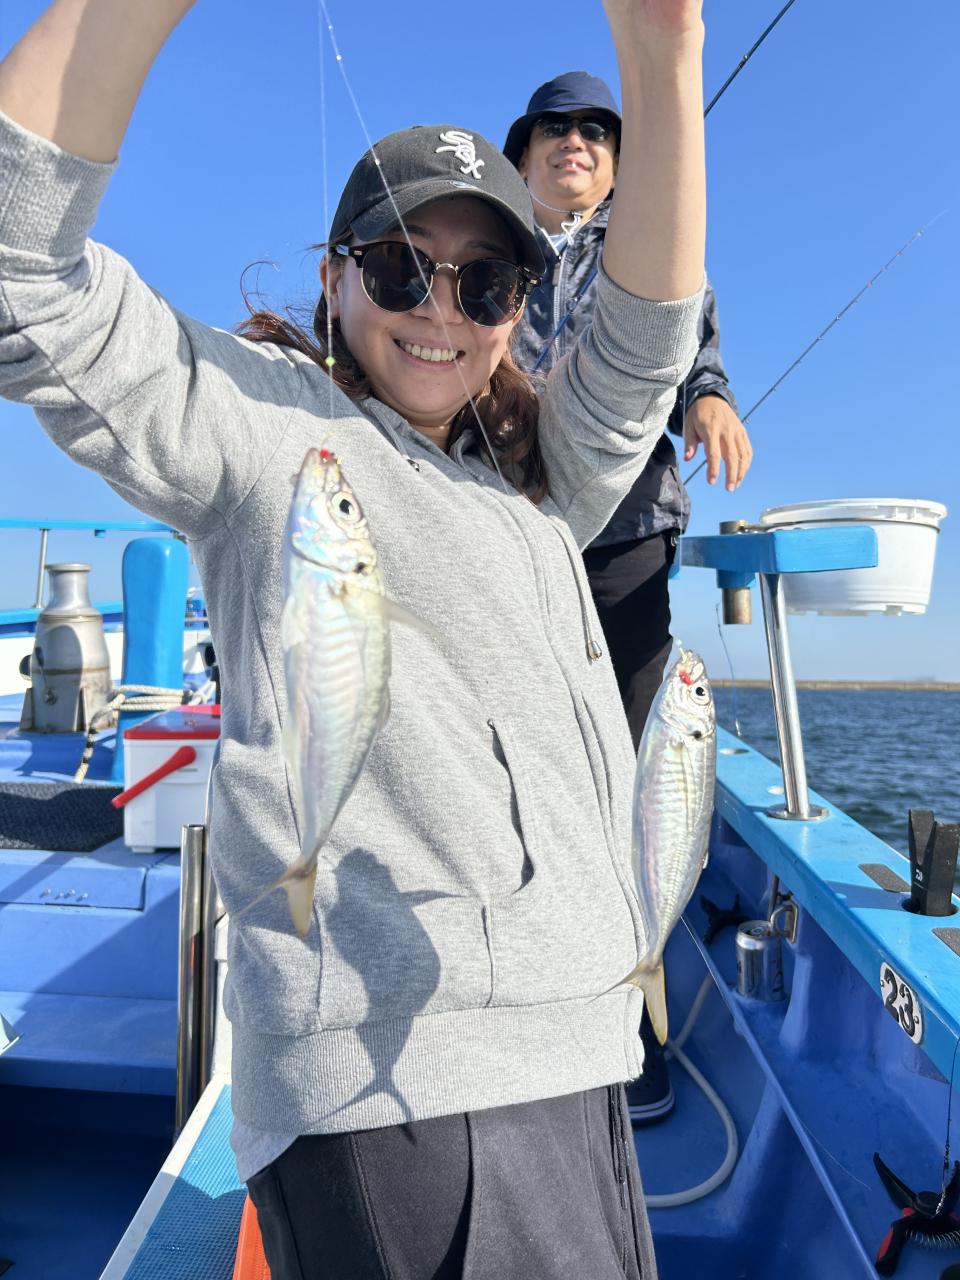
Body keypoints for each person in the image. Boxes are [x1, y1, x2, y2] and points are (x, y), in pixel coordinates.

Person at [0, 2, 706, 1276]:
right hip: (408, 1090)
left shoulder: (538, 478)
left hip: (577, 1046)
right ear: (333, 278)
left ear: (516, 309)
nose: (440, 309)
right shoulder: (271, 435)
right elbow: (20, 276)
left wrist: (666, 53)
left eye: (484, 282)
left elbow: (646, 342)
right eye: (397, 266)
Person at [505, 69, 751, 1125]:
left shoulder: (650, 241)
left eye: (598, 132)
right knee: (518, 766)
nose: (575, 143)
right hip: (512, 531)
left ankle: (634, 1022)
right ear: (522, 155)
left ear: (617, 163)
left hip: (628, 539)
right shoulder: (488, 242)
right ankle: (522, 996)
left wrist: (710, 400)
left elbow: (691, 337)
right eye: (554, 129)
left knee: (637, 778)